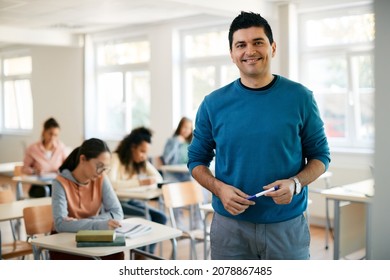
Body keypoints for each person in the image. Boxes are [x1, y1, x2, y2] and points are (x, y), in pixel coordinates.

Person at [187, 11, 331, 260]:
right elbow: (195, 161)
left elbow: (321, 156)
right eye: (241, 45)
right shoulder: (213, 104)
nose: (249, 51)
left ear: (272, 48)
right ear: (232, 54)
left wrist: (296, 184)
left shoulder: (300, 98)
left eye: (258, 42)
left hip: (286, 227)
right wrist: (219, 188)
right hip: (229, 228)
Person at [51, 138, 124, 260]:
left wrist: (78, 222)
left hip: (92, 236)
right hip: (65, 242)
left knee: (116, 254)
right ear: (83, 159)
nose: (101, 172)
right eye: (99, 166)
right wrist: (99, 224)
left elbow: (117, 212)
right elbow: (60, 224)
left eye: (105, 168)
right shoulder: (60, 183)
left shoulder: (101, 178)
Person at [109, 127, 167, 254]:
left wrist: (145, 181)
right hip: (117, 204)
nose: (144, 156)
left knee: (161, 218)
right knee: (148, 217)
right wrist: (140, 182)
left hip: (132, 200)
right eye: (142, 151)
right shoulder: (116, 158)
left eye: (146, 152)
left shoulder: (140, 162)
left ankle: (145, 254)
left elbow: (158, 177)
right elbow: (112, 184)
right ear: (132, 147)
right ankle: (138, 255)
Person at [22, 117, 69, 197]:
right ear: (43, 132)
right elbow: (24, 169)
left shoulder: (61, 147)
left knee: (64, 191)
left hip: (57, 183)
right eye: (50, 134)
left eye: (55, 135)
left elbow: (68, 165)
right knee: (53, 193)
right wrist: (34, 171)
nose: (52, 138)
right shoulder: (33, 148)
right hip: (39, 186)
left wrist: (63, 170)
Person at [162, 116, 193, 182]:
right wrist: (176, 141)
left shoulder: (191, 143)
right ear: (179, 127)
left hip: (187, 175)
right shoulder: (171, 141)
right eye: (185, 127)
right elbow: (166, 158)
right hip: (173, 176)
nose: (187, 130)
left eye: (189, 128)